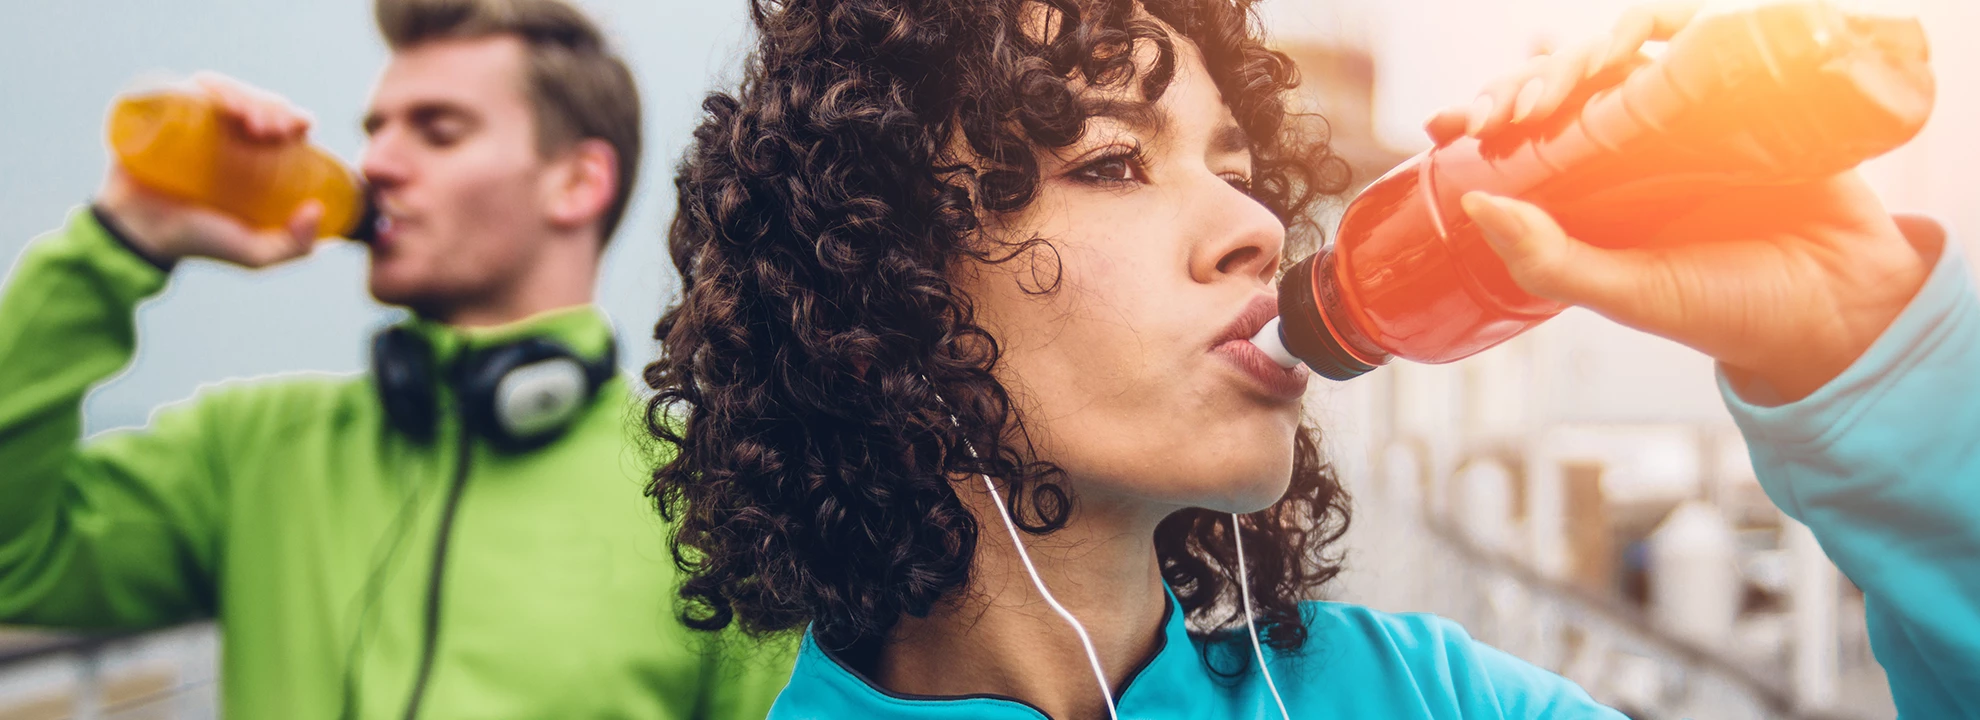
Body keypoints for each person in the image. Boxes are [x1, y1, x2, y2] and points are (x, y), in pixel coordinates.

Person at [642, 0, 1980, 718]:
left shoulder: (1435, 701)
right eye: (1112, 161)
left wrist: (1880, 359)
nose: (1251, 226)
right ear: (874, 295)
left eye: (1238, 167)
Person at [0, 0, 793, 717]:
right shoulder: (250, 449)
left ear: (578, 181)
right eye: (376, 128)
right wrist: (121, 236)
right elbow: (15, 558)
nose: (375, 163)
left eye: (437, 129)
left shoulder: (710, 499)